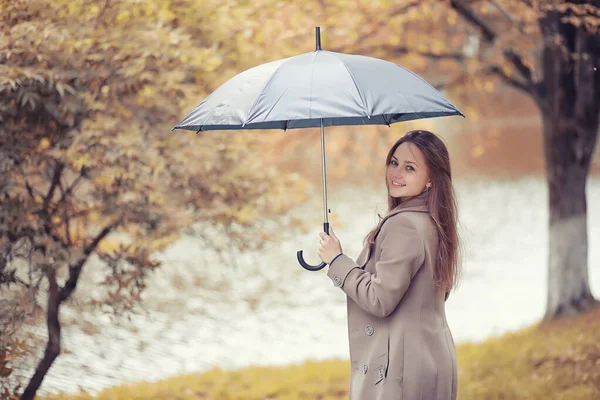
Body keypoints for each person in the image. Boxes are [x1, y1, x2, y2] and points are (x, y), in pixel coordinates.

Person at [317, 130, 461, 400]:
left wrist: (337, 261)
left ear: (430, 179)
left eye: (409, 168)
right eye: (394, 162)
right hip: (431, 358)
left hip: (401, 370)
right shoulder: (434, 221)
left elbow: (380, 300)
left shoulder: (404, 225)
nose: (396, 173)